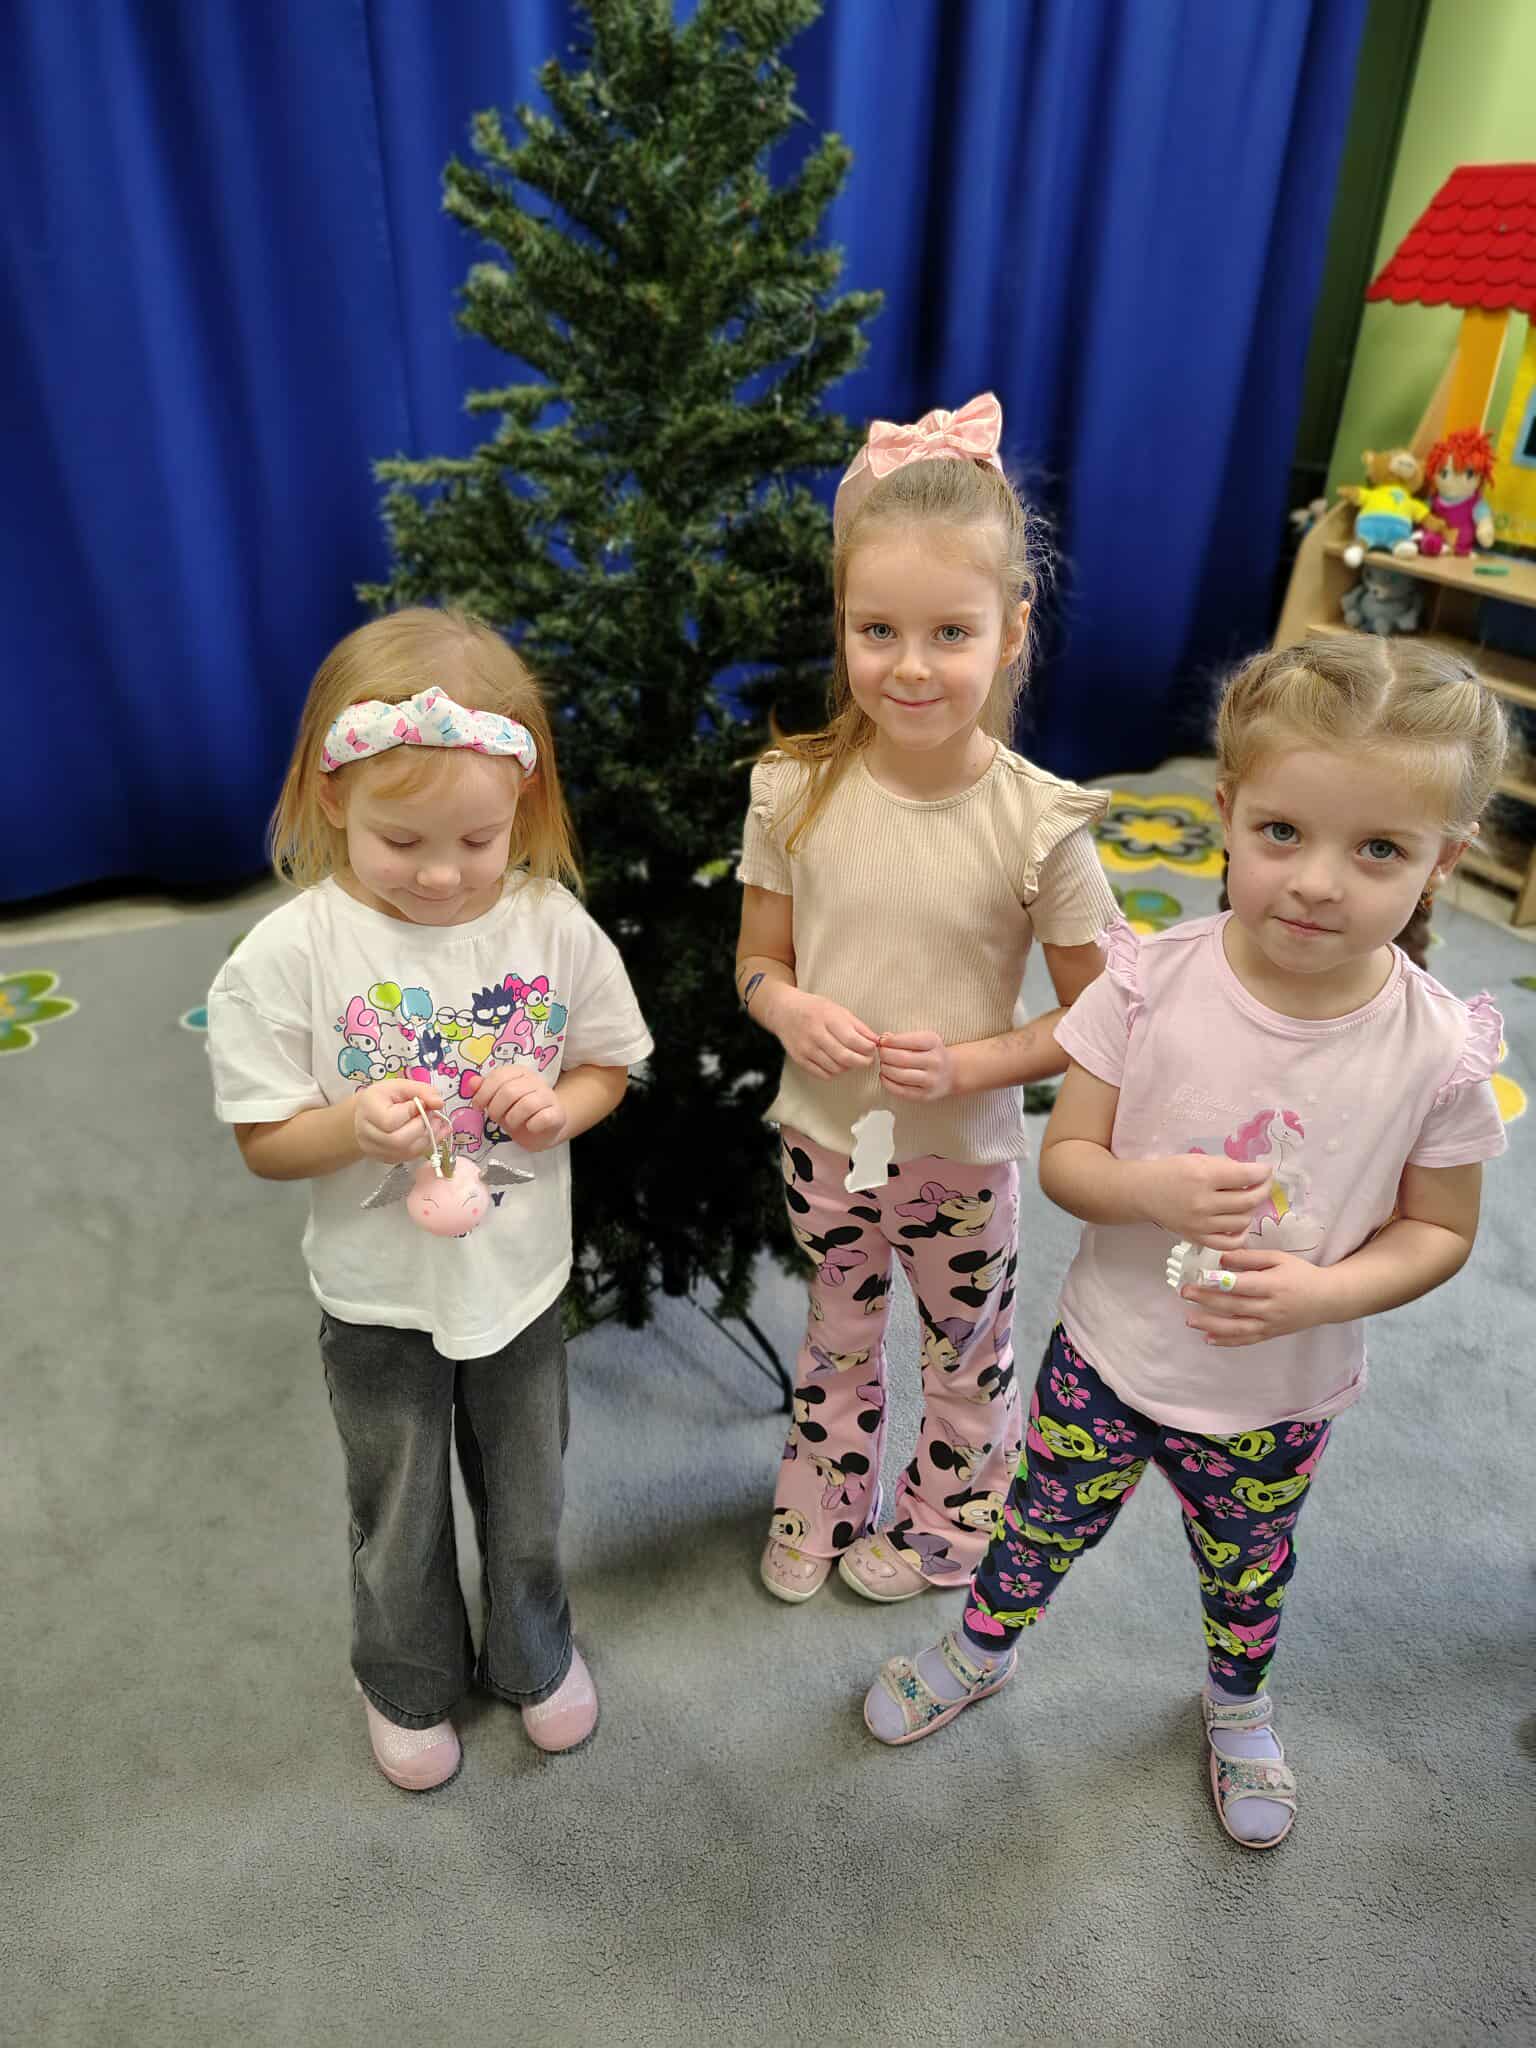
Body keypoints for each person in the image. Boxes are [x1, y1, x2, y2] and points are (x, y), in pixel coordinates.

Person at [862, 633, 1510, 1851]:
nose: (1318, 881)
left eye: (1378, 848)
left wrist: (1323, 1291)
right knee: (1038, 1519)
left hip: (1278, 1391)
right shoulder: (1145, 982)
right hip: (1108, 1354)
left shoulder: (1438, 1047)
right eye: (1283, 832)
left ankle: (1238, 1703)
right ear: (1225, 811)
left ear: (1444, 858)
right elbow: (1068, 1161)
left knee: (1249, 1567)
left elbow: (1441, 1229)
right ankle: (983, 1645)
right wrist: (1148, 1187)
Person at [207, 609, 652, 1791]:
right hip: (377, 1298)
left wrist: (559, 1108)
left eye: (479, 838)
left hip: (519, 1285)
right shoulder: (287, 955)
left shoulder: (551, 927)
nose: (444, 873)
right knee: (397, 1505)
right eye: (400, 839)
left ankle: (533, 1649)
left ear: (525, 806)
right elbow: (263, 1138)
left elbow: (607, 1064)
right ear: (331, 796)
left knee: (529, 1496)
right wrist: (349, 1126)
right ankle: (404, 1676)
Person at [735, 393, 1118, 1607]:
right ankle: (824, 1495)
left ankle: (949, 1528)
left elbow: (1104, 1018)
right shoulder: (789, 790)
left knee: (967, 1351)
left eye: (949, 631)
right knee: (837, 1331)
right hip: (824, 1141)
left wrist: (971, 1063)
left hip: (963, 1156)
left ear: (1011, 630)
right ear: (842, 622)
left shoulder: (1042, 821)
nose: (909, 665)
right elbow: (757, 963)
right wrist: (789, 1010)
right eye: (878, 629)